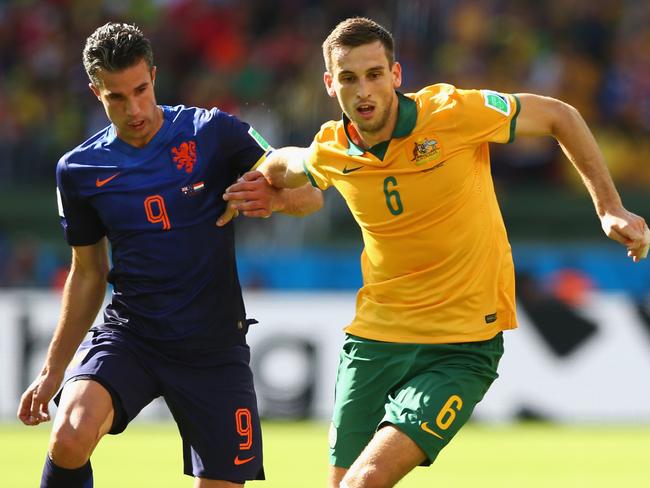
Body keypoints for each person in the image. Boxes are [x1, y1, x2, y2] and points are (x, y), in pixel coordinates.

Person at [222, 16, 650, 488]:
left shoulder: (451, 112)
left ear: (396, 75)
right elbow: (292, 165)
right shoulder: (332, 148)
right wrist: (269, 188)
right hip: (375, 340)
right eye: (348, 78)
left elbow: (558, 115)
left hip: (460, 344)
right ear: (330, 84)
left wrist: (610, 208)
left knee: (364, 482)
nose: (363, 91)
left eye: (374, 74)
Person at [16, 22, 322, 488]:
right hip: (133, 336)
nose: (134, 108)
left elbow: (310, 195)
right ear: (96, 92)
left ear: (154, 76)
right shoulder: (78, 170)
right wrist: (52, 370)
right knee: (69, 436)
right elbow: (87, 273)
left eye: (140, 89)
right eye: (117, 97)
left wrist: (276, 199)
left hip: (212, 347)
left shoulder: (212, 132)